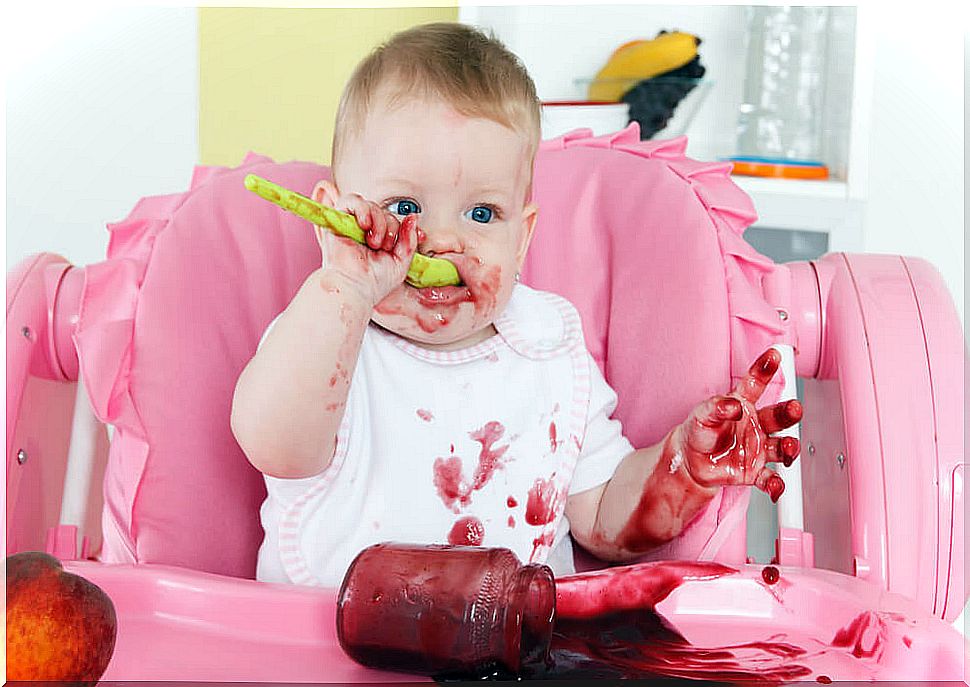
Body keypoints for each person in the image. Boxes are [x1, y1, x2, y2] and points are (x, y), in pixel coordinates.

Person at [230, 22, 802, 587]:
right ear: (335, 218)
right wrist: (346, 287)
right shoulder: (326, 333)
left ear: (522, 237)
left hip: (507, 657)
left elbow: (602, 517)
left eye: (481, 214)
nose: (443, 241)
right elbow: (276, 446)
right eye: (404, 207)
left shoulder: (547, 346)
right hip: (320, 652)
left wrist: (683, 468)